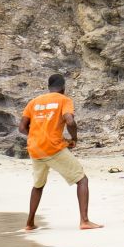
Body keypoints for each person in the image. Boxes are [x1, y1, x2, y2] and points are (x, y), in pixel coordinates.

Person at [20, 73, 101, 232]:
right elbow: (69, 120)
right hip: (53, 148)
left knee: (38, 185)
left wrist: (38, 135)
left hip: (35, 149)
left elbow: (22, 128)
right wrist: (74, 138)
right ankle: (84, 221)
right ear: (63, 88)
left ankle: (29, 223)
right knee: (82, 179)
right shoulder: (64, 100)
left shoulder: (34, 102)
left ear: (49, 87)